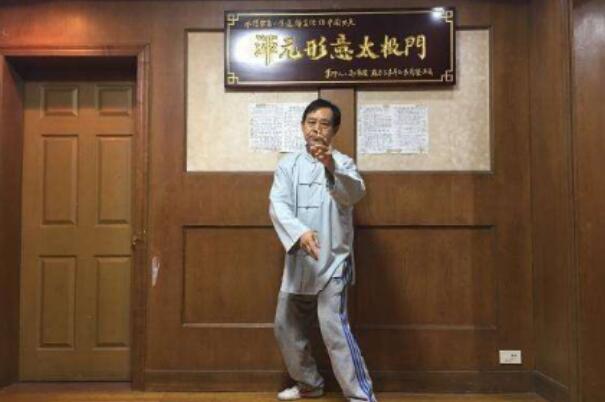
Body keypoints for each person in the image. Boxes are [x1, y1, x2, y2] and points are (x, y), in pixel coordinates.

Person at [269, 98, 377, 402]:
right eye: (311, 122)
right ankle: (309, 384)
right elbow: (278, 205)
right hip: (298, 262)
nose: (316, 129)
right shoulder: (287, 165)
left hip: (333, 261)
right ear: (302, 126)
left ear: (334, 130)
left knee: (334, 329)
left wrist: (330, 165)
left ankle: (361, 396)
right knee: (285, 326)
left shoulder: (344, 163)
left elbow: (353, 194)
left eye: (324, 124)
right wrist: (300, 232)